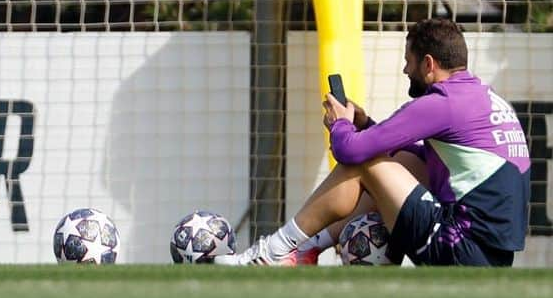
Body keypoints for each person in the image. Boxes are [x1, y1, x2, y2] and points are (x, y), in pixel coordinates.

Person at [217, 17, 531, 267]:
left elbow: (351, 150)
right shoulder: (485, 98)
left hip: (457, 249)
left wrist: (340, 123)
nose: (405, 69)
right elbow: (415, 159)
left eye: (409, 61)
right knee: (404, 160)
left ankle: (275, 251)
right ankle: (304, 251)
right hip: (489, 258)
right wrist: (364, 125)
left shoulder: (442, 102)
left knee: (366, 160)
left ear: (429, 64)